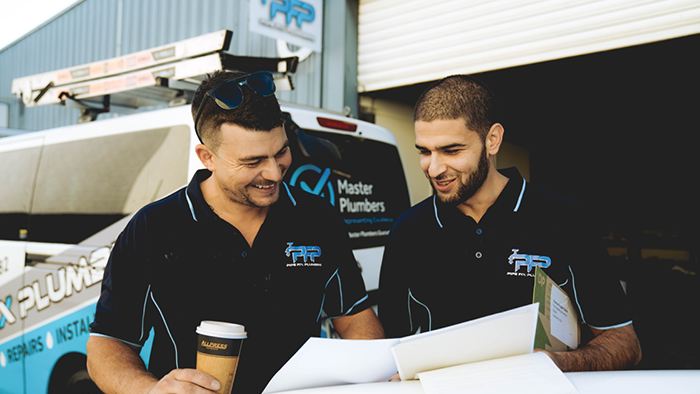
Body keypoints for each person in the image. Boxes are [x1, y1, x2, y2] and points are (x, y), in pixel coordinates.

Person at [87, 70, 385, 394]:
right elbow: (108, 345)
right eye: (253, 161)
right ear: (207, 157)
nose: (273, 173)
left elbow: (354, 317)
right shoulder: (153, 229)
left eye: (281, 152)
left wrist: (374, 373)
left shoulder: (317, 218)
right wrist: (148, 390)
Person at [378, 75, 641, 372]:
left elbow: (624, 343)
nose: (434, 168)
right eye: (425, 151)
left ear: (492, 140)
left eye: (451, 150)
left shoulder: (564, 220)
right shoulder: (408, 231)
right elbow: (389, 347)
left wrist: (557, 363)